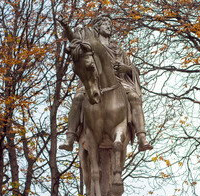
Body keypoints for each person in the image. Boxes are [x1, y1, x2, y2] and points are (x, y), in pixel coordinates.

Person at [59, 14, 153, 152]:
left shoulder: (118, 50)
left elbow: (134, 69)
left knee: (133, 97)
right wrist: (67, 27)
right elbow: (75, 41)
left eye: (110, 24)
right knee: (78, 97)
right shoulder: (89, 47)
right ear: (97, 26)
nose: (109, 26)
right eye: (105, 23)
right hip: (93, 82)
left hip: (119, 83)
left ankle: (142, 137)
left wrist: (125, 68)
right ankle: (70, 137)